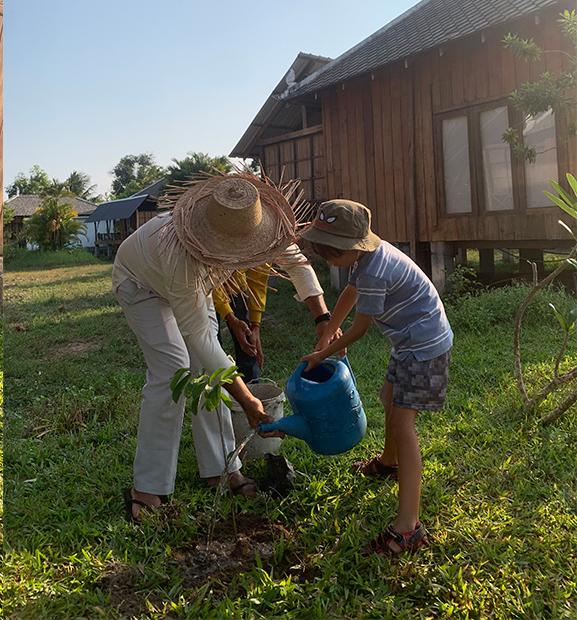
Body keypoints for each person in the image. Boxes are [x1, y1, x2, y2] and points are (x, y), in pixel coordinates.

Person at [114, 173, 334, 522]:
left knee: (209, 374)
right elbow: (200, 339)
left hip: (192, 285)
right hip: (141, 284)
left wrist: (323, 318)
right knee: (173, 372)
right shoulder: (182, 253)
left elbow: (296, 264)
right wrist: (247, 400)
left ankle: (223, 469)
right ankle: (147, 488)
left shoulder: (257, 222)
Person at [299, 199, 452, 556]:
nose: (329, 260)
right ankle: (388, 464)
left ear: (353, 247)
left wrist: (323, 354)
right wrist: (326, 332)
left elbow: (361, 328)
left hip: (424, 345)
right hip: (408, 341)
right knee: (388, 399)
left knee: (403, 425)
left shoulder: (374, 270)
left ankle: (408, 528)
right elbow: (349, 294)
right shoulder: (367, 259)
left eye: (333, 253)